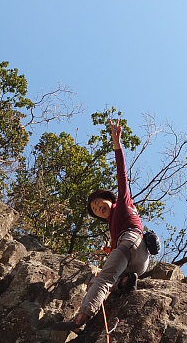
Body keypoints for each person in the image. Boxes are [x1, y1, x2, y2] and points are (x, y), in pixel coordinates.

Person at [58, 119, 149, 330]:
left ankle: (81, 318)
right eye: (96, 209)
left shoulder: (123, 202)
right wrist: (110, 248)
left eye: (99, 203)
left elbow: (122, 175)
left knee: (103, 278)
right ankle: (127, 282)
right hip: (140, 263)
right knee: (114, 279)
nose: (99, 208)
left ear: (109, 198)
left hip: (132, 241)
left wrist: (117, 144)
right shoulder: (113, 225)